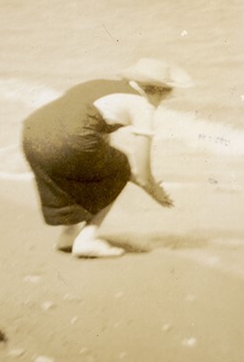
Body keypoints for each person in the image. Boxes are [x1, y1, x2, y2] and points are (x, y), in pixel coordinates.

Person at [21, 58, 193, 258]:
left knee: (84, 171)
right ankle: (88, 237)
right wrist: (152, 188)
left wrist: (140, 181)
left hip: (32, 135)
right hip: (70, 143)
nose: (160, 104)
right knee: (120, 164)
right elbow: (142, 165)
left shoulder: (101, 85)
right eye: (164, 98)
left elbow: (92, 133)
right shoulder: (142, 104)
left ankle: (68, 235)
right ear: (158, 90)